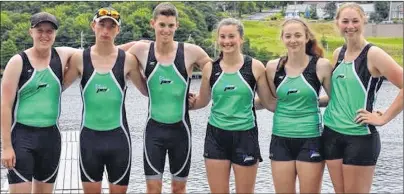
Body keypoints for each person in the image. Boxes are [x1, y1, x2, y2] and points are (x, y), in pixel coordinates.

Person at [126, 2, 211, 193]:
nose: (166, 30)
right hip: (153, 132)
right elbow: (111, 55)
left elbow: (216, 70)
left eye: (171, 25)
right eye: (162, 24)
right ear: (152, 23)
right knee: (153, 188)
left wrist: (201, 100)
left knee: (178, 189)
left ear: (177, 26)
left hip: (181, 132)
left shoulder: (191, 52)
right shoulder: (141, 50)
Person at [63, 7, 147, 193]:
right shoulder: (79, 59)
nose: (106, 30)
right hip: (89, 140)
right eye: (102, 25)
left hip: (119, 139)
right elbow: (56, 89)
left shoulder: (129, 60)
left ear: (118, 30)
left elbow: (147, 91)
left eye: (111, 26)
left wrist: (183, 95)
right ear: (93, 26)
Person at [322, 2, 403, 193]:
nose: (350, 26)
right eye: (345, 21)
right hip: (331, 134)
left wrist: (383, 118)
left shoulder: (373, 54)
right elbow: (338, 96)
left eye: (355, 21)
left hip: (359, 137)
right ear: (337, 23)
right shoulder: (338, 54)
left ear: (363, 21)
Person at [189, 18, 275, 193]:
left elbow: (269, 103)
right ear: (218, 39)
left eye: (231, 36)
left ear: (240, 39)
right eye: (222, 36)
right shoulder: (209, 69)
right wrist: (184, 104)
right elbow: (203, 101)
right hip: (216, 137)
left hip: (246, 136)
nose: (226, 41)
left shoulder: (255, 67)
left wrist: (306, 104)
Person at [0, 12, 79, 193]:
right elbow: (4, 105)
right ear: (31, 32)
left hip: (51, 138)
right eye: (40, 30)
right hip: (22, 137)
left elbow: (98, 53)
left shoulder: (62, 55)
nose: (44, 35)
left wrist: (139, 46)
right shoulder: (18, 62)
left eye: (49, 31)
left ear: (55, 34)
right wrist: (6, 147)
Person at [264, 18, 333, 193]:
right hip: (280, 138)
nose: (292, 40)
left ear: (307, 37)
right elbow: (273, 100)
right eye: (288, 36)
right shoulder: (273, 67)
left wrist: (313, 102)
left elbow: (336, 99)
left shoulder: (321, 66)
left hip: (311, 138)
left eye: (297, 35)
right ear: (282, 38)